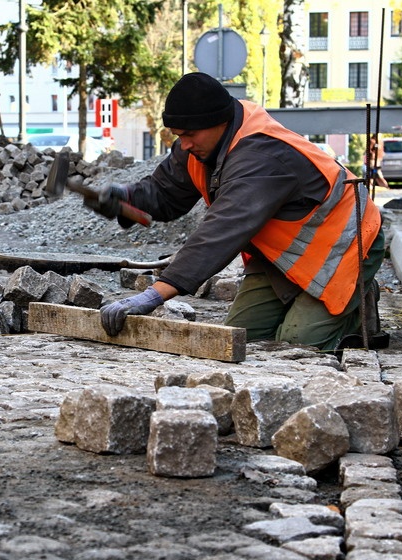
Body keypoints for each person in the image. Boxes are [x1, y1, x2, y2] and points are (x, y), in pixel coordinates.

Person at [91, 72, 385, 352]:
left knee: (297, 346)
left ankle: (359, 305)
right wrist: (126, 196)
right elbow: (165, 193)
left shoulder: (260, 156)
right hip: (282, 257)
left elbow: (219, 233)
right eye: (178, 135)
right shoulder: (198, 145)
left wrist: (153, 295)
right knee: (242, 339)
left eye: (190, 134)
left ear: (219, 121)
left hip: (345, 247)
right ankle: (316, 304)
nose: (184, 144)